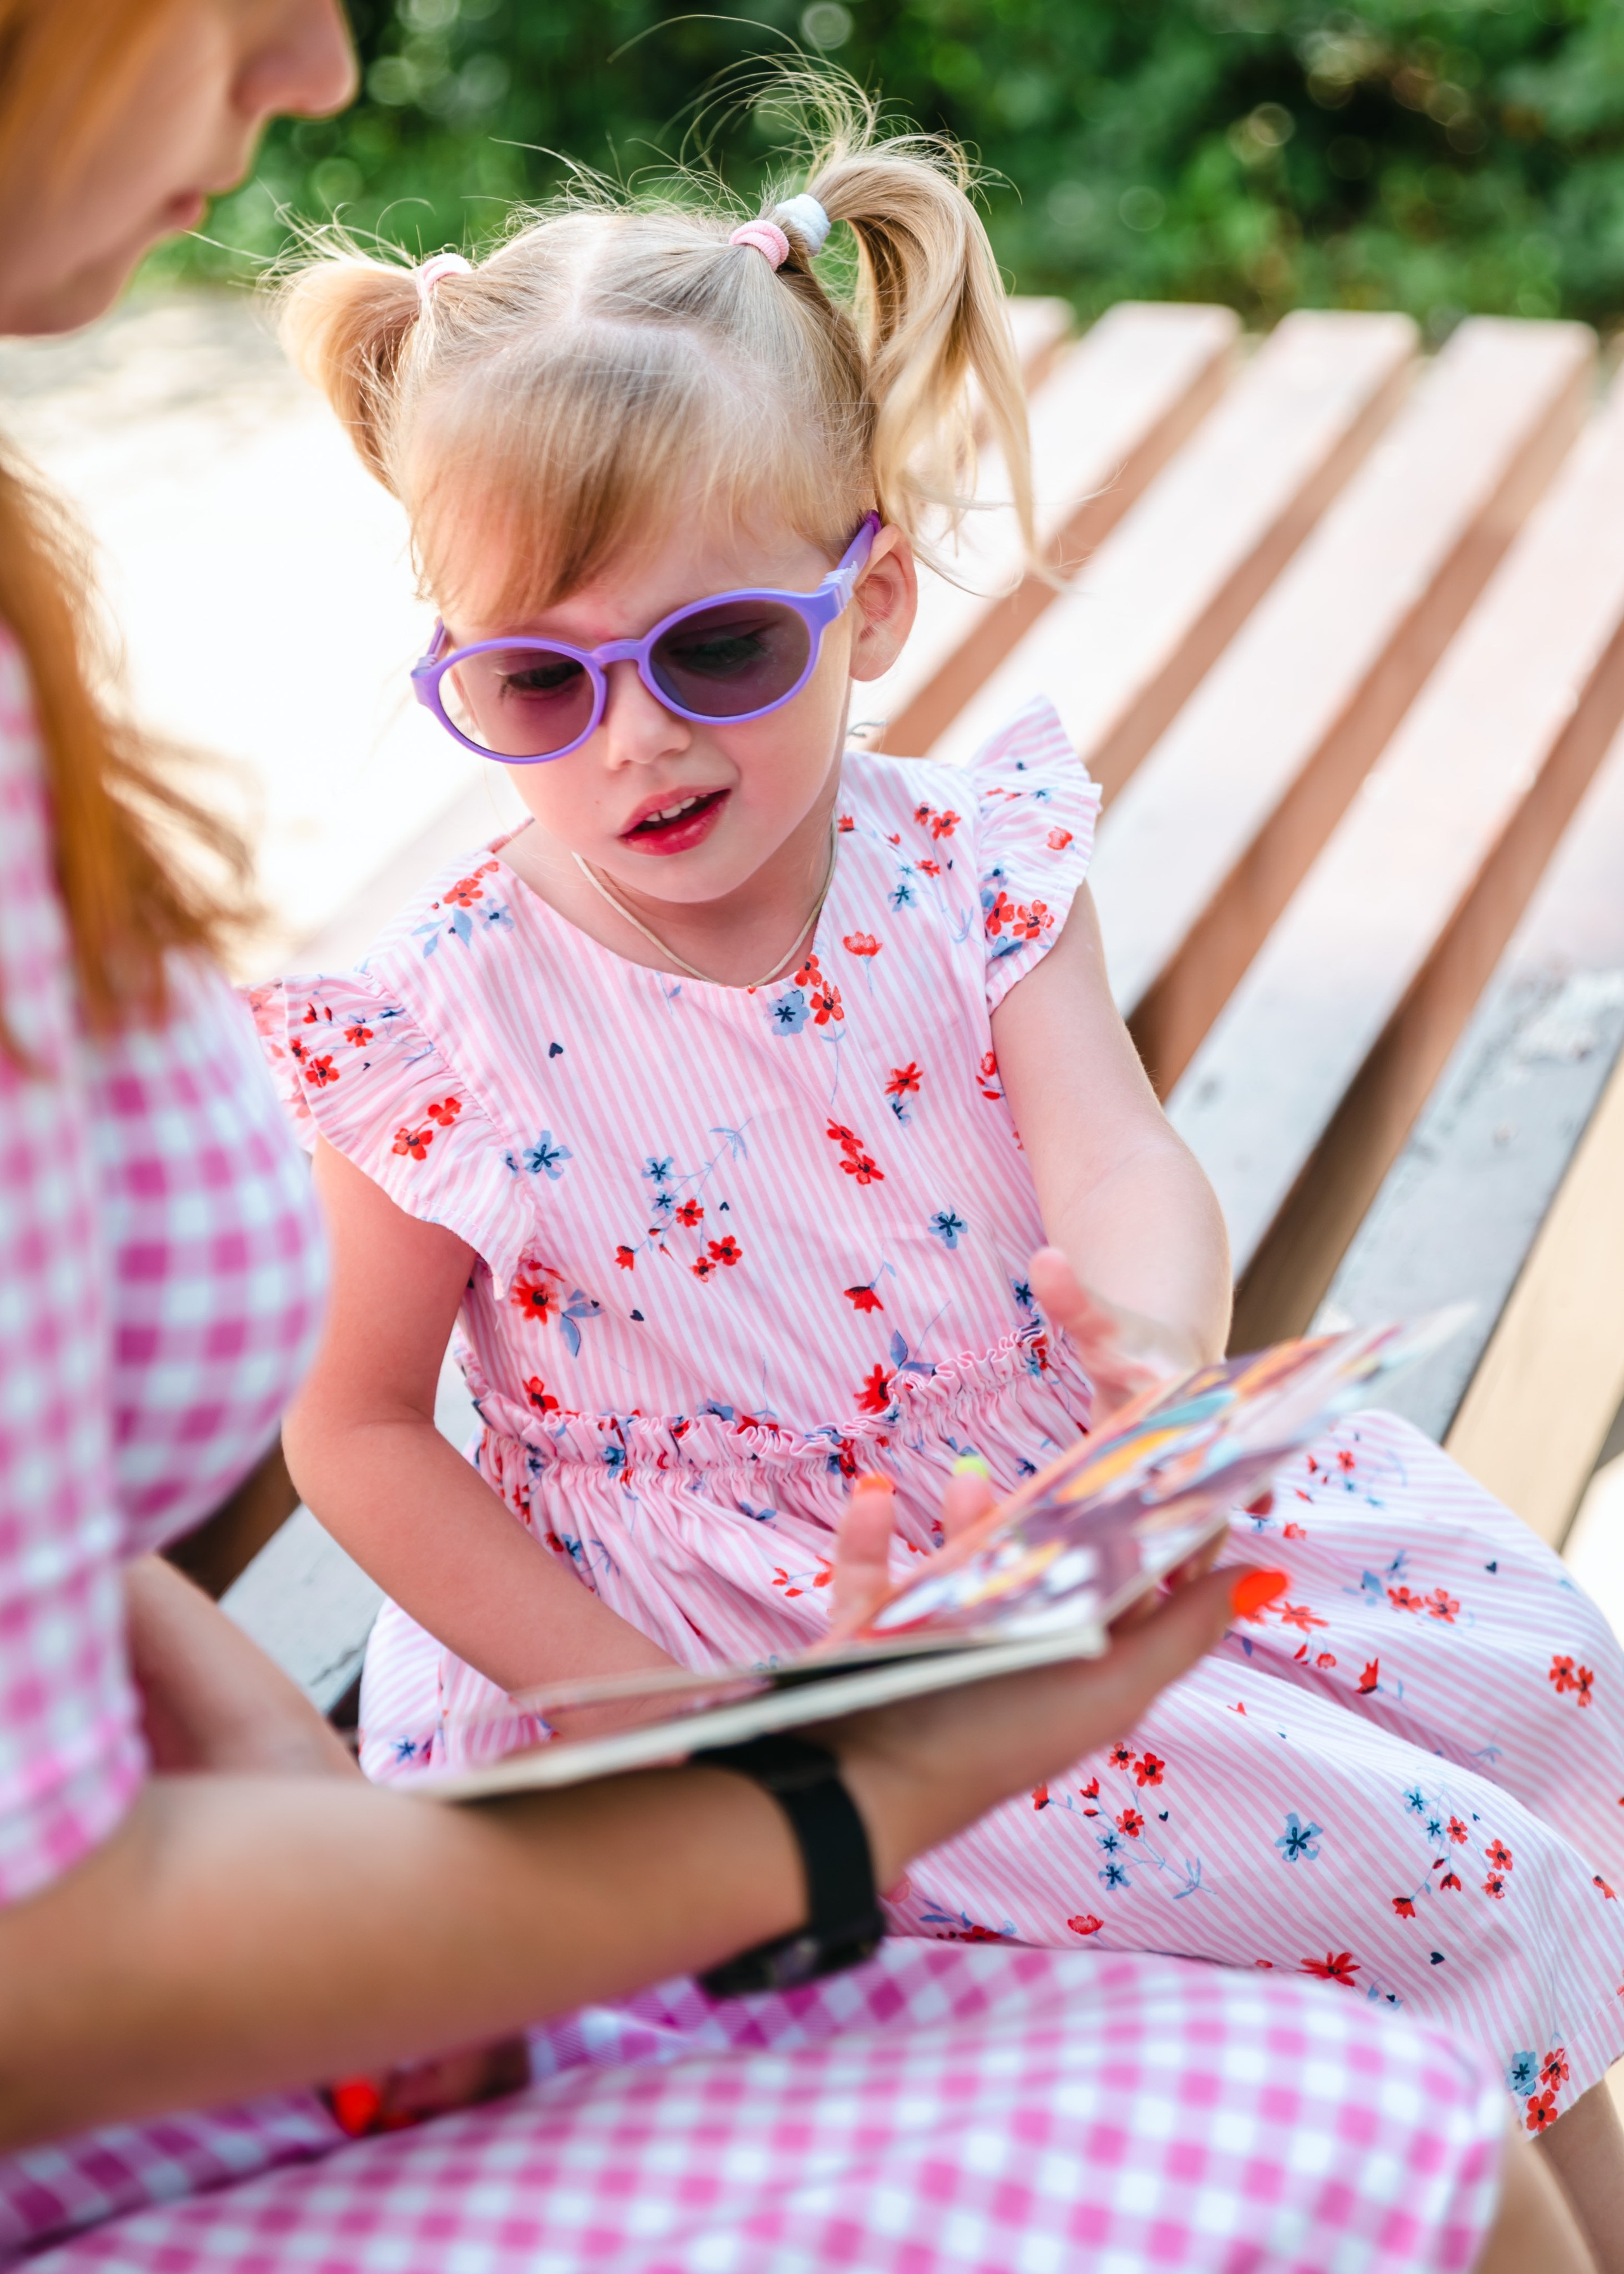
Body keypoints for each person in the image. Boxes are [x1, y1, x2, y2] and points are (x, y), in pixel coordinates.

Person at [0, 3, 1595, 2269]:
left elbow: (1122, 1149)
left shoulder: (965, 860)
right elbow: (357, 1428)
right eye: (538, 685)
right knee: (1363, 1879)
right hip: (688, 1646)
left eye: (725, 652)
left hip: (1008, 1511)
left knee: (1528, 1692)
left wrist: (1147, 1340)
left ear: (877, 600)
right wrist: (642, 1705)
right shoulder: (451, 1017)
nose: (637, 738)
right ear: (456, 670)